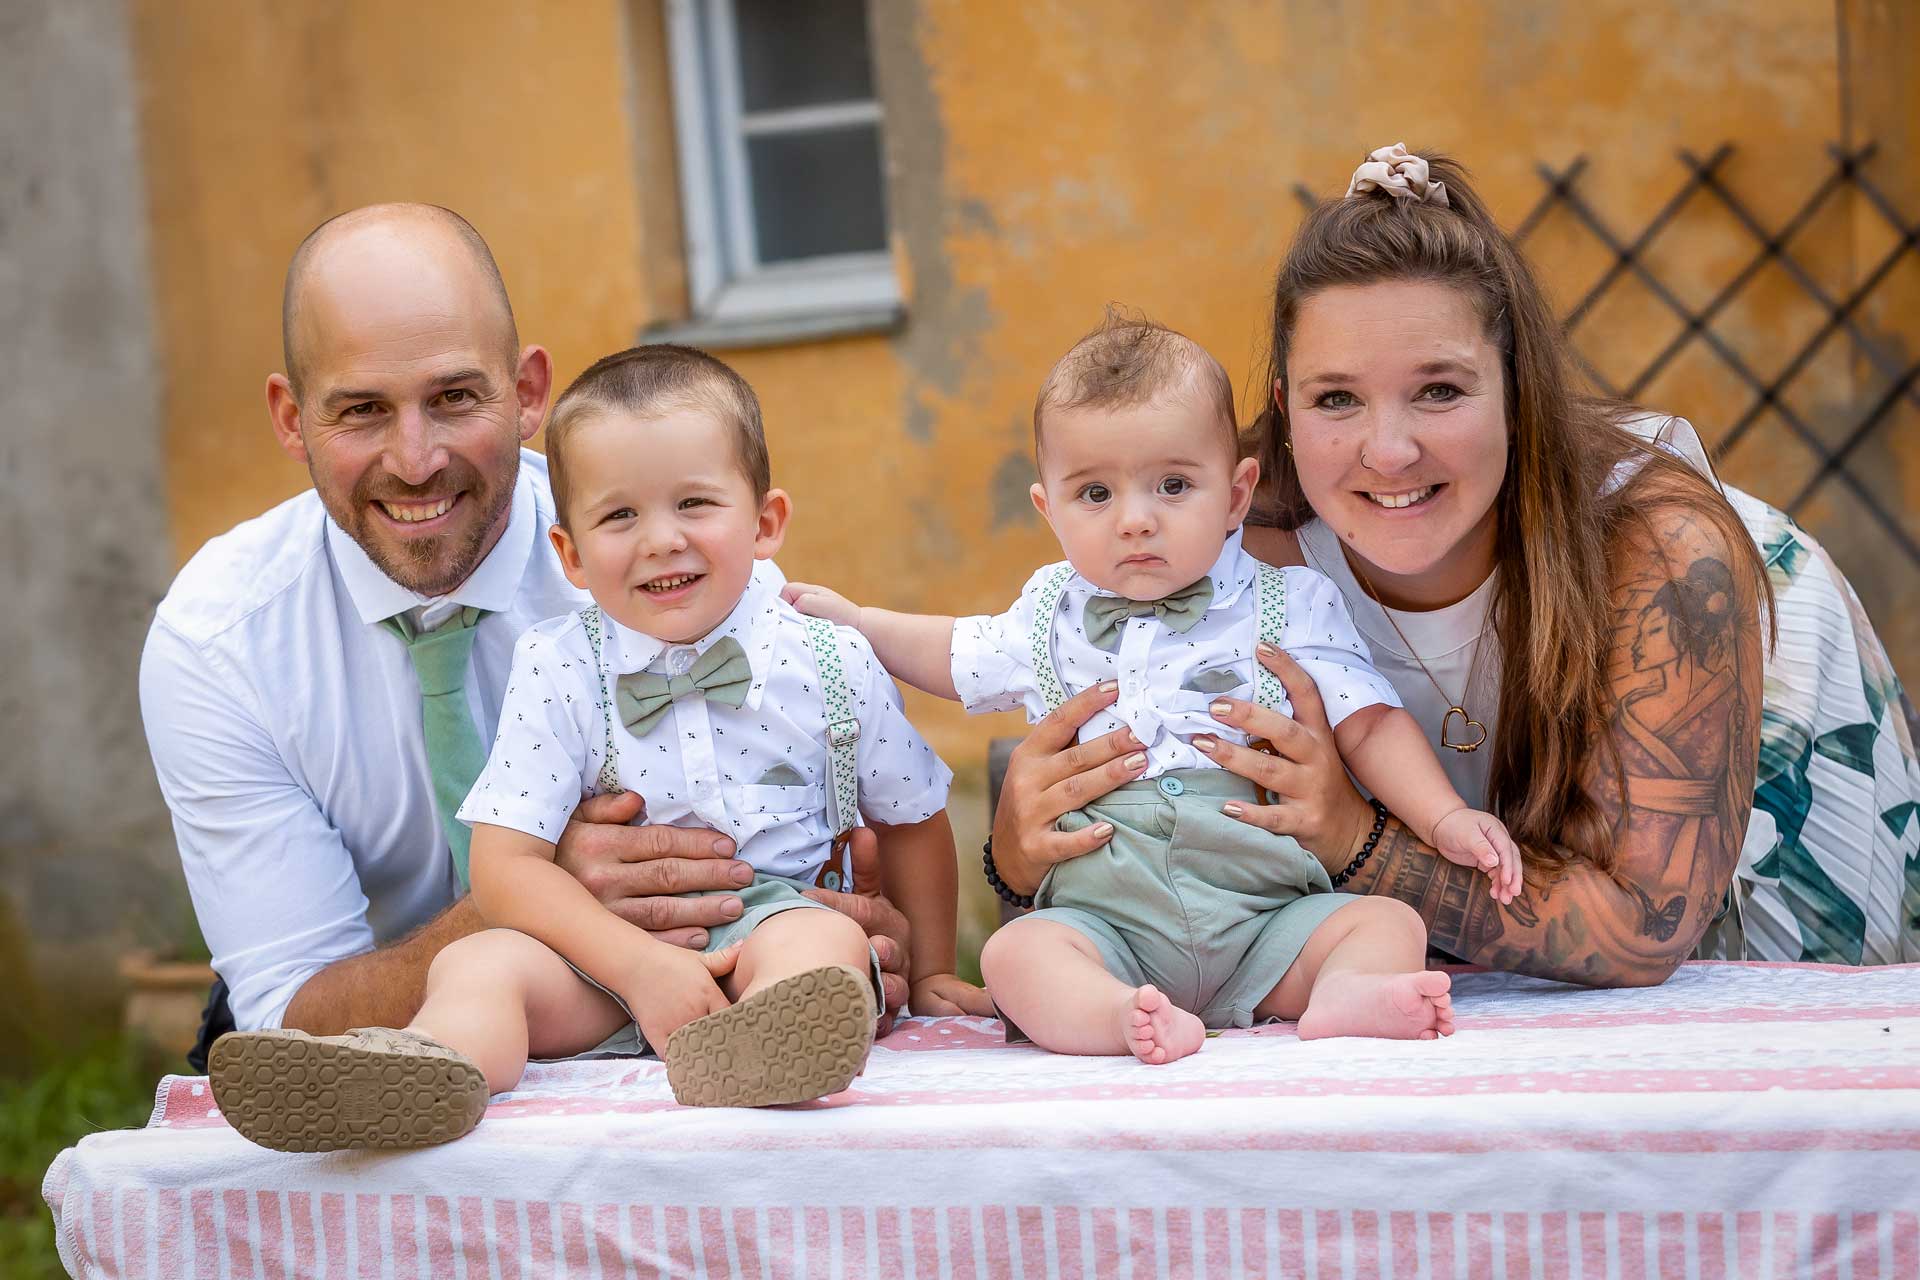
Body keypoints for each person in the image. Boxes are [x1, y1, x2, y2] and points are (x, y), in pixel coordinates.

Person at [983, 145, 1920, 981]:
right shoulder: (1221, 544)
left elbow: (1643, 927)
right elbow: (1142, 875)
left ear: (1515, 390)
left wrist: (1357, 837)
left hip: (1768, 769)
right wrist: (1018, 858)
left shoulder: (1664, 556)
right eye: (1336, 398)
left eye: (1439, 390)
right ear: (1282, 403)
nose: (1388, 453)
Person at [139, 205, 915, 1073]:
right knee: (472, 979)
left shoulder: (658, 553)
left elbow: (824, 812)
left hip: (692, 972)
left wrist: (840, 928)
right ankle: (425, 1081)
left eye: (455, 398)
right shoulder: (218, 640)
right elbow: (290, 1013)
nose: (416, 459)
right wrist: (542, 889)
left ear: (529, 393)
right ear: (290, 419)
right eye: (360, 410)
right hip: (415, 1011)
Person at [208, 345, 982, 1147]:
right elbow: (503, 868)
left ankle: (762, 1052)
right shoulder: (558, 668)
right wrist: (634, 966)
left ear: (767, 523)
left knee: (822, 945)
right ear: (571, 556)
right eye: (620, 516)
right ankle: (423, 1071)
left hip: (769, 924)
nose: (660, 540)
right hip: (601, 958)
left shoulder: (829, 657)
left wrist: (927, 973)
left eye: (694, 504)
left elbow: (913, 816)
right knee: (475, 968)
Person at [788, 314, 1518, 1064]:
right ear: (1051, 511)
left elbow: (1368, 724)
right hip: (1110, 927)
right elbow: (952, 650)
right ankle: (1118, 1016)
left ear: (1236, 494)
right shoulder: (1047, 614)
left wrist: (1445, 817)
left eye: (1173, 485)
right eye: (1096, 494)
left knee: (1386, 923)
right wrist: (859, 620)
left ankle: (1342, 992)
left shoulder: (1287, 602)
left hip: (1268, 916)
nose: (1136, 521)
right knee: (1017, 956)